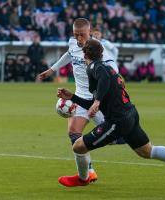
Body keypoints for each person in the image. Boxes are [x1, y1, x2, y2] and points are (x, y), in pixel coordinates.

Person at [57, 39, 165, 191]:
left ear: (85, 54)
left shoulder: (95, 67)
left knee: (78, 146)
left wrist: (97, 101)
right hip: (130, 114)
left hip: (117, 121)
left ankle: (83, 178)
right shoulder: (107, 68)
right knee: (147, 151)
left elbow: (103, 80)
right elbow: (99, 96)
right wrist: (73, 98)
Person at [38, 18, 122, 183]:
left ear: (89, 32)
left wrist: (109, 83)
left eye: (82, 35)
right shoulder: (73, 44)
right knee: (74, 134)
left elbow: (114, 69)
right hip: (79, 97)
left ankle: (124, 138)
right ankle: (88, 172)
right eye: (76, 34)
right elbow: (68, 56)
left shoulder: (99, 49)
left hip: (98, 100)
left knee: (114, 136)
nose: (78, 39)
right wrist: (51, 70)